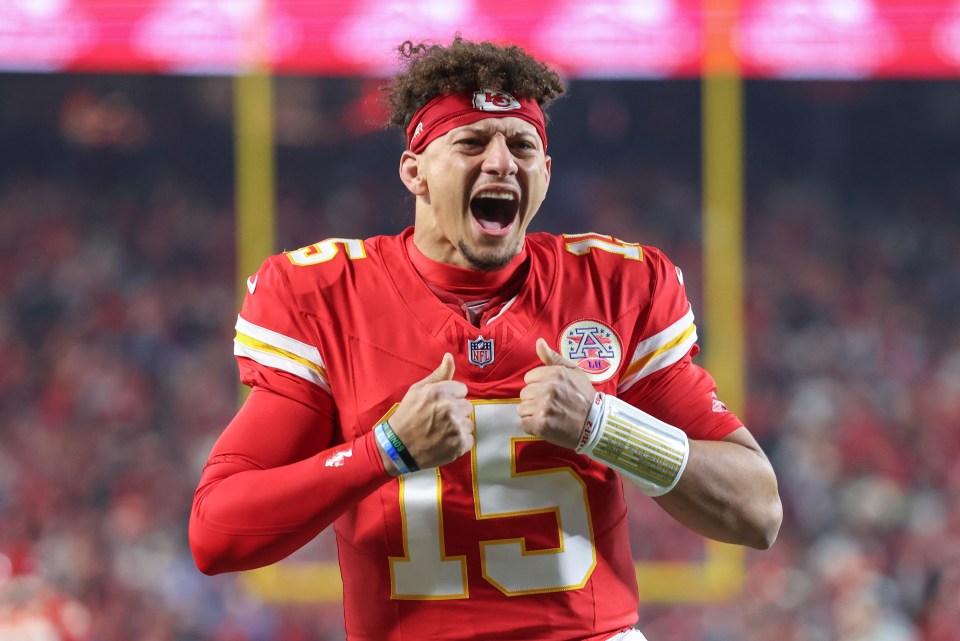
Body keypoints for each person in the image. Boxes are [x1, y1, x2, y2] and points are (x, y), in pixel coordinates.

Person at [189, 35, 782, 641]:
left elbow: (758, 511)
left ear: (545, 176)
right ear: (414, 171)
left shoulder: (615, 287)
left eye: (523, 145)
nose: (502, 162)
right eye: (472, 141)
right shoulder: (329, 295)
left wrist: (607, 426)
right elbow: (216, 533)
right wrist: (385, 449)